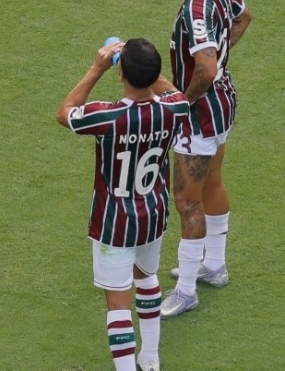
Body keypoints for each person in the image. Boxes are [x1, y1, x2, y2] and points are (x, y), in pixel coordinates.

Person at [57, 38, 190, 371]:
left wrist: (97, 67)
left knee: (118, 304)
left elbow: (65, 113)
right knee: (147, 277)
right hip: (153, 215)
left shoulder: (109, 116)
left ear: (121, 75)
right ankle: (151, 358)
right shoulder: (175, 109)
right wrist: (143, 67)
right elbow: (173, 92)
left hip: (114, 222)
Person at [159, 0, 252, 318]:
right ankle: (214, 266)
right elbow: (244, 16)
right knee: (213, 181)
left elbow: (206, 68)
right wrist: (223, 52)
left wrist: (183, 102)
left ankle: (186, 290)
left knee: (185, 200)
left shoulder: (196, 5)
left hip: (199, 114)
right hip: (223, 104)